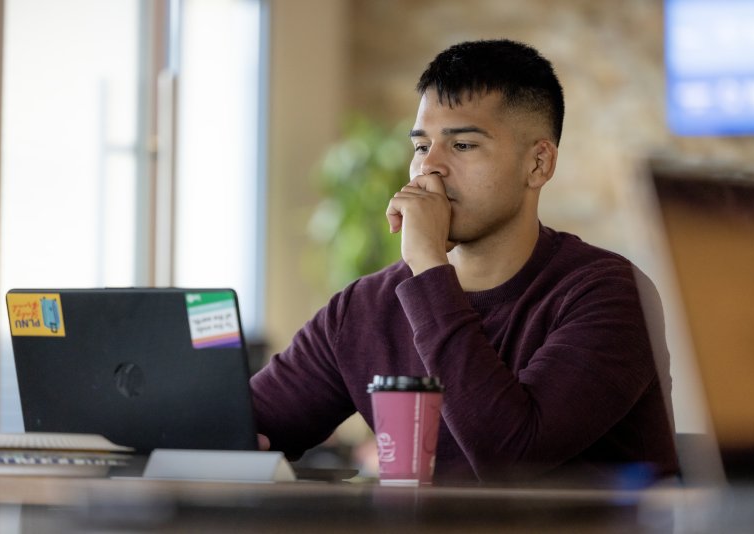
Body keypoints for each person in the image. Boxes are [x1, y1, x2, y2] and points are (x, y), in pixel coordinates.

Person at [251, 39, 678, 484]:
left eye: (464, 145)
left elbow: (511, 456)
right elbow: (243, 428)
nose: (428, 169)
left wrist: (428, 264)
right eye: (421, 147)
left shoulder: (610, 294)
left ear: (538, 164)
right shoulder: (366, 307)